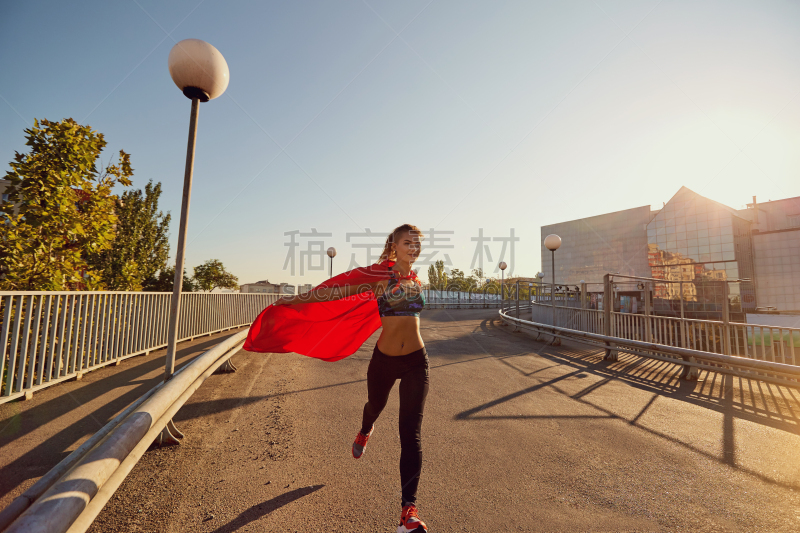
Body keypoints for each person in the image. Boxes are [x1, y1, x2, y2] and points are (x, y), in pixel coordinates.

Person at [268, 224, 429, 533]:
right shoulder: (378, 276)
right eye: (408, 242)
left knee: (411, 433)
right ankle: (365, 430)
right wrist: (293, 301)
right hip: (384, 361)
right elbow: (332, 291)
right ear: (394, 247)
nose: (414, 247)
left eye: (418, 243)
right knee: (374, 406)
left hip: (416, 362)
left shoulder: (417, 280)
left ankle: (408, 511)